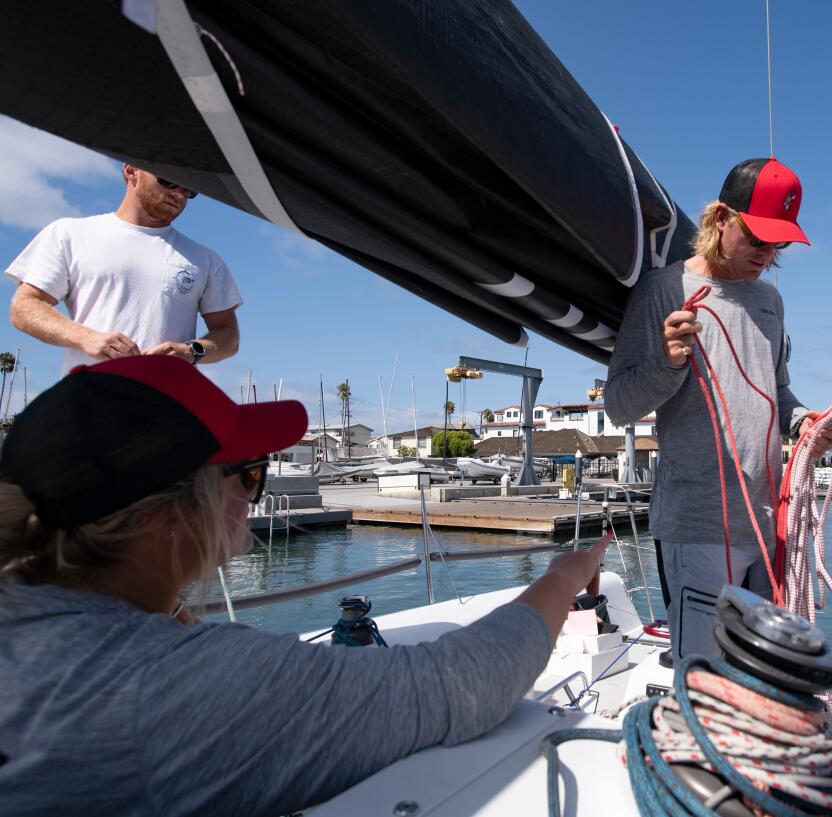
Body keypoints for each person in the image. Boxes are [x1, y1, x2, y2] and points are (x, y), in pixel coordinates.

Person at [0, 356, 607, 816]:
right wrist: (563, 576)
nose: (255, 493)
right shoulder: (155, 684)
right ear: (168, 515)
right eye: (251, 474)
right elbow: (466, 686)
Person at [606, 157, 832, 662]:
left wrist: (807, 425)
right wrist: (668, 363)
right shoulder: (662, 291)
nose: (767, 253)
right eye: (756, 237)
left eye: (778, 243)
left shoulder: (769, 303)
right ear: (719, 219)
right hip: (698, 525)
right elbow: (619, 407)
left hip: (766, 521)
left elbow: (778, 394)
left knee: (757, 670)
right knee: (705, 674)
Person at [7, 165, 241, 375]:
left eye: (189, 190)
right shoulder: (70, 234)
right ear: (131, 170)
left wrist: (191, 350)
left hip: (169, 408)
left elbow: (228, 335)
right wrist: (85, 337)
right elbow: (24, 307)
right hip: (90, 402)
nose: (179, 194)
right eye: (168, 181)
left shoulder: (205, 259)